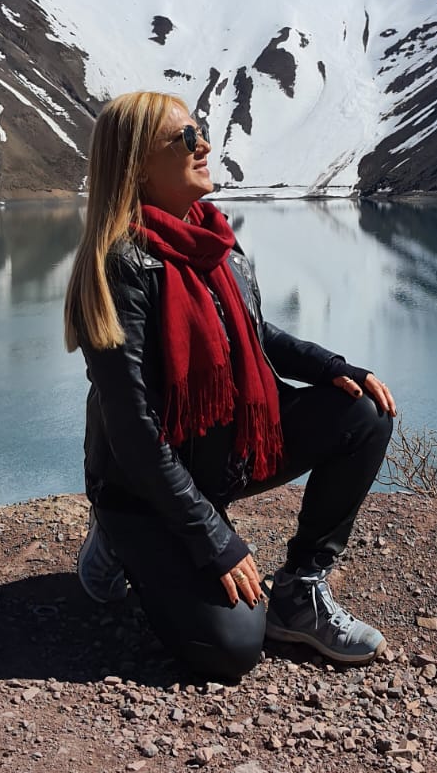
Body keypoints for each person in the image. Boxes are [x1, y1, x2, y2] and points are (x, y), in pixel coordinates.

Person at [63, 90, 397, 682]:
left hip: (221, 456)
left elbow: (252, 332)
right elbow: (134, 432)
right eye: (186, 138)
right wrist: (215, 540)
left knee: (363, 414)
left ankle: (300, 590)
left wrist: (332, 367)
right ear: (138, 163)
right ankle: (117, 535)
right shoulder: (120, 267)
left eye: (201, 132)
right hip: (141, 482)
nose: (204, 146)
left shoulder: (213, 240)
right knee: (233, 648)